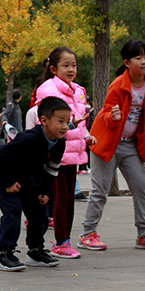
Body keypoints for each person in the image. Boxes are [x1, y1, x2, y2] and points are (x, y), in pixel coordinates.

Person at [80, 39, 145, 252]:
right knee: (100, 190)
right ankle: (88, 234)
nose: (144, 62)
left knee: (142, 186)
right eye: (138, 58)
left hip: (131, 146)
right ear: (127, 62)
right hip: (107, 143)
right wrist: (113, 117)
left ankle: (143, 235)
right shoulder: (118, 85)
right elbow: (105, 114)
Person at [0, 96, 70, 272]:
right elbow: (3, 156)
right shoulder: (30, 138)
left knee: (39, 211)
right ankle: (4, 253)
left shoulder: (59, 143)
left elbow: (52, 168)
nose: (65, 126)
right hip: (4, 171)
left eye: (67, 121)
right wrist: (9, 182)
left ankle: (35, 250)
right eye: (60, 121)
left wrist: (44, 191)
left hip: (26, 175)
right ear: (44, 121)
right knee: (13, 210)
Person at [34, 47, 94, 259]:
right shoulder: (48, 89)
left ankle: (65, 239)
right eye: (66, 65)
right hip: (56, 151)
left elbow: (80, 121)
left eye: (74, 65)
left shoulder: (78, 90)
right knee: (61, 196)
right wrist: (68, 126)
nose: (71, 69)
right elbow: (47, 122)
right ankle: (60, 241)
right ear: (53, 69)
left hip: (73, 152)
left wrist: (86, 137)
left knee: (69, 197)